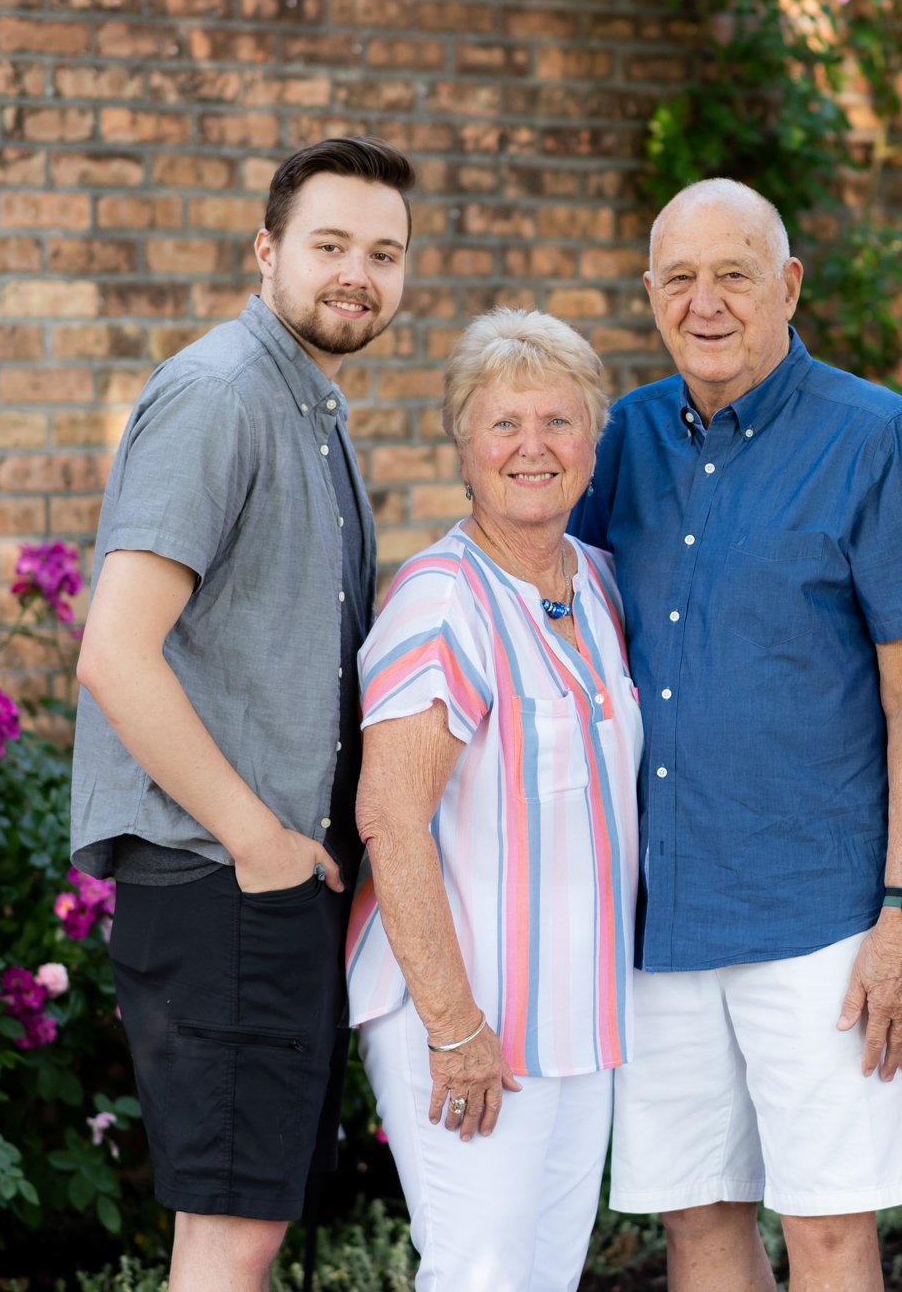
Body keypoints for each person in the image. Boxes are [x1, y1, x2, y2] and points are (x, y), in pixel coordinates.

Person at [570, 178, 902, 1292]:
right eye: (681, 278)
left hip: (824, 923)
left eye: (734, 274)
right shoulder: (623, 438)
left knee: (830, 1230)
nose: (706, 302)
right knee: (695, 1222)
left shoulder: (873, 434)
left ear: (788, 285)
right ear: (649, 293)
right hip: (662, 916)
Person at [72, 136, 413, 1291]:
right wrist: (257, 837)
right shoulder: (222, 394)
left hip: (260, 884)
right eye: (329, 245)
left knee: (236, 1238)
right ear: (266, 250)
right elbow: (116, 650)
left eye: (383, 252)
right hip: (223, 875)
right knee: (229, 1243)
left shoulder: (310, 413)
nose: (356, 272)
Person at [346, 308, 640, 1290]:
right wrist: (453, 1024)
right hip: (467, 1016)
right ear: (464, 446)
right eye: (503, 424)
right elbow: (390, 819)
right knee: (477, 1273)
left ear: (592, 446)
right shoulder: (442, 601)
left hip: (575, 1018)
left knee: (542, 1276)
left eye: (558, 422)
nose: (532, 447)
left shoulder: (595, 584)